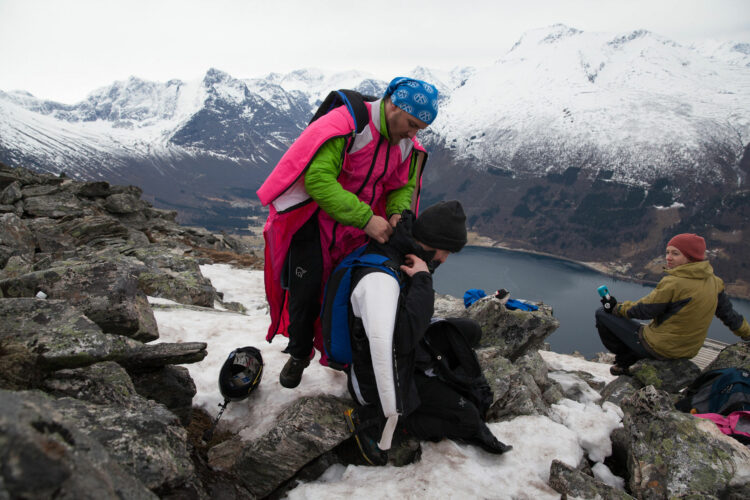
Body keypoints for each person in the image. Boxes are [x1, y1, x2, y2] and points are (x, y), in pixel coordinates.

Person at [255, 77, 440, 389]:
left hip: (355, 232)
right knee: (306, 293)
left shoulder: (406, 144)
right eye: (410, 123)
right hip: (315, 225)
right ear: (392, 105)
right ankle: (300, 353)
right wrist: (367, 218)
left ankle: (345, 357)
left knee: (346, 295)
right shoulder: (348, 125)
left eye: (419, 128)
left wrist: (395, 212)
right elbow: (318, 180)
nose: (413, 133)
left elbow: (400, 186)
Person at [341, 201, 512, 465]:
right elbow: (402, 341)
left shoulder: (403, 254)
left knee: (468, 332)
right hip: (377, 378)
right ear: (431, 242)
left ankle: (438, 383)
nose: (444, 259)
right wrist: (422, 280)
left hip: (402, 355)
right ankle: (379, 423)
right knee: (467, 417)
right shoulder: (381, 278)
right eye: (445, 252)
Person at [595, 233, 750, 375]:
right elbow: (730, 316)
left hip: (661, 348)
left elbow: (645, 310)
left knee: (602, 314)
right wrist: (747, 333)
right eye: (668, 252)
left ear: (691, 257)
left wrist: (616, 308)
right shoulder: (715, 283)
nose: (668, 257)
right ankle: (630, 358)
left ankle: (625, 362)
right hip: (689, 350)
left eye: (675, 253)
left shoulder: (675, 282)